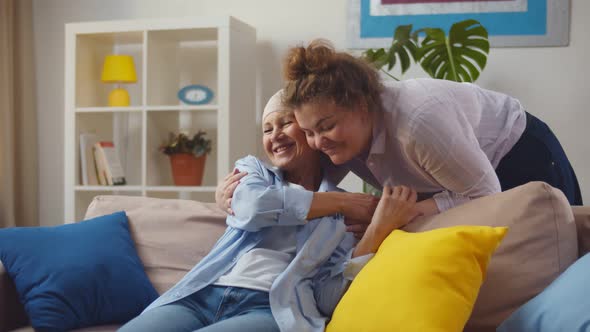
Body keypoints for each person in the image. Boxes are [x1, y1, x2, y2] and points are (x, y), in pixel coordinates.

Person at [119, 91, 420, 332]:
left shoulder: (349, 214)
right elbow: (253, 206)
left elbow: (327, 298)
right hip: (203, 296)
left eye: (285, 123)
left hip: (271, 307)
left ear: (312, 134)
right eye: (267, 128)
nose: (274, 135)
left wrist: (376, 232)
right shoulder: (255, 173)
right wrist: (340, 203)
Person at [276, 38, 582, 217]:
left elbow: (485, 193)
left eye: (325, 127)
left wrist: (404, 213)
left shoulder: (417, 122)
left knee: (557, 252)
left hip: (519, 153)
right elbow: (304, 189)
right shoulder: (336, 137)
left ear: (361, 105)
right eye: (309, 132)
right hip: (461, 174)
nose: (317, 142)